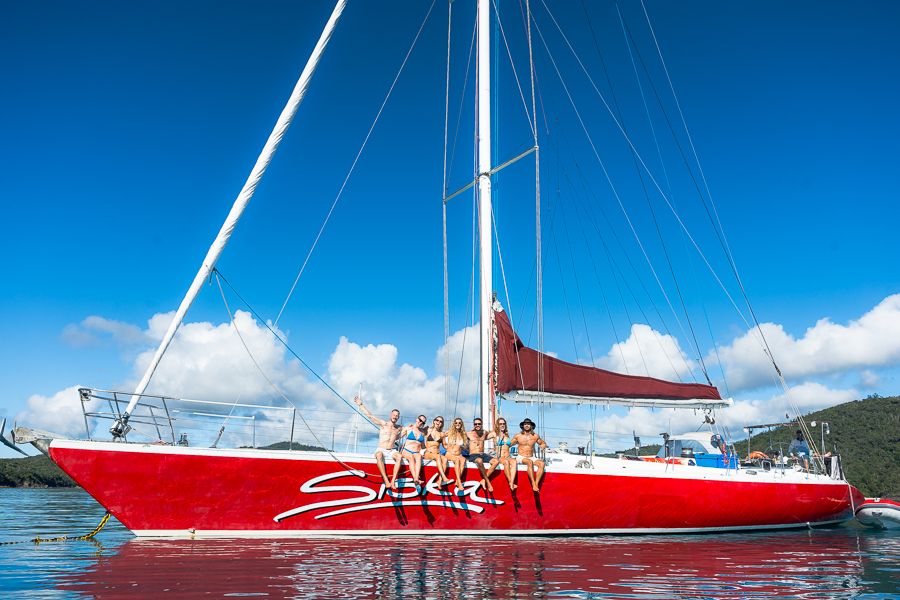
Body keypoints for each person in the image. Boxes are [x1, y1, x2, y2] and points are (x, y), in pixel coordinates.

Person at [353, 395, 401, 488]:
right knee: (378, 455)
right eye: (394, 415)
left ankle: (393, 480)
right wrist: (361, 405)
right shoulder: (384, 424)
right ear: (391, 415)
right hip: (381, 449)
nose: (395, 417)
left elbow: (409, 430)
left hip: (392, 450)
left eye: (397, 416)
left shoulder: (398, 428)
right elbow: (370, 416)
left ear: (398, 417)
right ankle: (386, 480)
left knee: (399, 456)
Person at [391, 414, 427, 490]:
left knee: (419, 456)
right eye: (420, 420)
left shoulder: (422, 433)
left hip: (416, 452)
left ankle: (416, 478)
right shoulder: (408, 428)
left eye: (423, 422)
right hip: (406, 450)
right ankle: (416, 479)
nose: (421, 423)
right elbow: (397, 437)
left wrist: (427, 451)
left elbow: (423, 446)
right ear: (417, 419)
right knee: (410, 457)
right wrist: (399, 429)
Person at [510, 418, 547, 492]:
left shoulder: (535, 436)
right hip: (521, 457)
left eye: (528, 424)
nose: (526, 425)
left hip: (531, 456)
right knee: (529, 462)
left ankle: (536, 484)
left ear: (531, 426)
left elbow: (543, 443)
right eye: (525, 424)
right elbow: (510, 443)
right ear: (523, 426)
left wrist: (543, 445)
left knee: (542, 464)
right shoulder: (518, 436)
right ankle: (533, 484)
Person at [484, 417, 517, 491]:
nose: (502, 425)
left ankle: (512, 481)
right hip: (500, 456)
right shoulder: (494, 433)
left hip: (508, 456)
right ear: (497, 425)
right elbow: (484, 437)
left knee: (514, 461)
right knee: (506, 462)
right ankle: (511, 483)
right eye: (500, 424)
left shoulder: (506, 435)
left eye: (503, 424)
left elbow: (509, 445)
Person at [423, 416, 453, 486]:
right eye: (437, 420)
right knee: (437, 456)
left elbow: (445, 445)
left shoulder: (442, 434)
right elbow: (419, 430)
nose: (438, 422)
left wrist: (453, 446)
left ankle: (440, 480)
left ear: (442, 424)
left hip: (437, 453)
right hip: (428, 453)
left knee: (445, 459)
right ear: (434, 421)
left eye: (441, 421)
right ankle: (444, 477)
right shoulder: (428, 430)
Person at [467, 417, 494, 492]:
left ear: (481, 424)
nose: (477, 425)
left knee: (496, 462)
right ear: (473, 425)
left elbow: (492, 433)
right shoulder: (469, 434)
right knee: (479, 460)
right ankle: (488, 482)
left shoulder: (484, 433)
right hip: (473, 455)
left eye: (479, 424)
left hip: (482, 454)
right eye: (475, 424)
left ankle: (483, 480)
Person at [444, 417, 468, 494]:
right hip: (450, 454)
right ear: (454, 424)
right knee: (457, 460)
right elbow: (442, 439)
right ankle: (459, 482)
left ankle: (457, 481)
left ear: (461, 424)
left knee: (463, 460)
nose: (458, 424)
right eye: (456, 423)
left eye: (459, 423)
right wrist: (445, 446)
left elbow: (466, 446)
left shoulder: (463, 435)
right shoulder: (449, 432)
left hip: (459, 454)